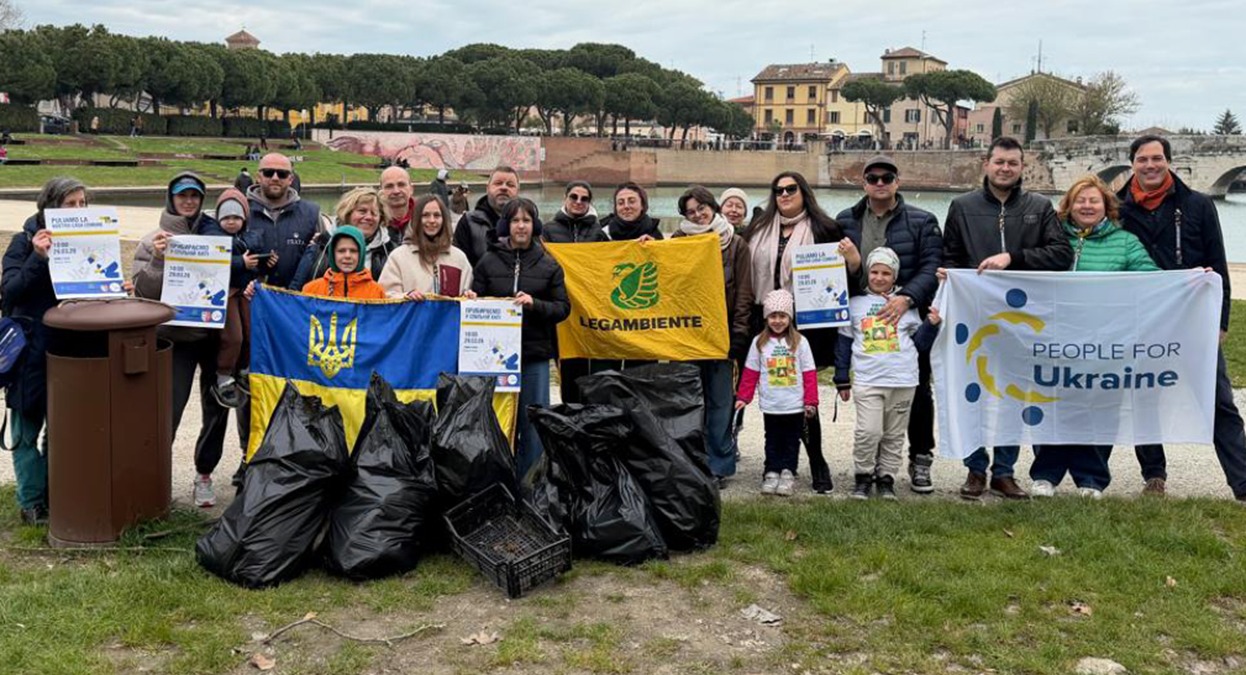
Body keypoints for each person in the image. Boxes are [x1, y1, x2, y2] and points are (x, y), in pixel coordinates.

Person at [942, 136, 1073, 500]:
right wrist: (950, 279)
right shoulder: (962, 206)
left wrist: (1012, 258)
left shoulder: (1039, 206)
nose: (1005, 169)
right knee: (973, 394)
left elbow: (1061, 255)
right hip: (975, 317)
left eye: (1012, 163)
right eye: (999, 162)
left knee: (1013, 396)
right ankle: (974, 468)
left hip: (1022, 319)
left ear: (1021, 167)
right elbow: (950, 256)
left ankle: (1004, 471)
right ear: (986, 163)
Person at [1116, 135, 1246, 502]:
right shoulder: (1117, 209)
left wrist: (1221, 321)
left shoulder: (1199, 206)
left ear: (1169, 161)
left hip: (1192, 320)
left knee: (1218, 398)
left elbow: (1218, 265)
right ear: (1132, 164)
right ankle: (1153, 474)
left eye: (1157, 158)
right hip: (1139, 319)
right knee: (1145, 397)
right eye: (1143, 159)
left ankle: (1242, 480)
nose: (1150, 166)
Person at [1024, 174, 1159, 499]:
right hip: (1056, 340)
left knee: (1099, 409)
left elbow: (1152, 279)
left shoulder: (1125, 242)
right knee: (1054, 405)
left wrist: (1192, 281)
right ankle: (1046, 475)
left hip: (1105, 342)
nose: (1086, 206)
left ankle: (1092, 478)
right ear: (1068, 206)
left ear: (1106, 207)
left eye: (1093, 200)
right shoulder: (1051, 240)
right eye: (1080, 200)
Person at [741, 171, 856, 494]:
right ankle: (774, 463)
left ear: (804, 192)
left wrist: (852, 261)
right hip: (764, 317)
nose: (784, 194)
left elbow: (842, 280)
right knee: (774, 390)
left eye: (791, 189)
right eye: (778, 190)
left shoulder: (825, 228)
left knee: (804, 393)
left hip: (808, 321)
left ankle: (816, 459)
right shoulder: (759, 227)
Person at [835, 155, 944, 494]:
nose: (880, 183)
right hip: (865, 314)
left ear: (897, 182)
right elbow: (836, 272)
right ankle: (868, 472)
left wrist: (907, 297)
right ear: (864, 183)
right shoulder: (845, 219)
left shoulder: (923, 220)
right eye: (873, 178)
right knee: (875, 408)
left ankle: (920, 458)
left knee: (918, 392)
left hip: (909, 314)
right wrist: (854, 268)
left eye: (887, 177)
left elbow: (931, 265)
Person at [133, 172, 242, 508]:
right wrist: (158, 259)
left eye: (195, 196)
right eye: (183, 196)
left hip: (212, 335)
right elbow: (142, 290)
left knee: (215, 410)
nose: (189, 201)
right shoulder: (154, 239)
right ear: (171, 198)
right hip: (174, 338)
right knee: (169, 408)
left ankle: (204, 473)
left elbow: (234, 273)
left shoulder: (217, 234)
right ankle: (152, 477)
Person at [2, 178, 89, 524]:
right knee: (25, 430)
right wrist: (38, 258)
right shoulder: (23, 242)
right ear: (50, 207)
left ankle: (59, 494)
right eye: (71, 204)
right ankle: (31, 502)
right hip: (29, 353)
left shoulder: (88, 242)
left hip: (68, 350)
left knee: (62, 430)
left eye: (83, 203)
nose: (78, 210)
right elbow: (10, 291)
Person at [471, 198, 570, 479]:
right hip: (493, 359)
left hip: (534, 357)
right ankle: (497, 482)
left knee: (533, 423)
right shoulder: (488, 262)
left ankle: (530, 487)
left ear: (534, 225)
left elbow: (563, 309)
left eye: (526, 220)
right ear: (507, 225)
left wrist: (534, 304)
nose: (521, 226)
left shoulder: (549, 265)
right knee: (497, 421)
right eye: (515, 220)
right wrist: (471, 298)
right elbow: (476, 299)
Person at [834, 247, 939, 500]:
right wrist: (841, 377)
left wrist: (932, 325)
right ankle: (863, 477)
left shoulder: (907, 305)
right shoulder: (855, 304)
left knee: (893, 435)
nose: (879, 277)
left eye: (886, 273)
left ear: (895, 276)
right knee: (868, 432)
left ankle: (886, 478)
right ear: (867, 273)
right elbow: (843, 343)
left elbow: (919, 345)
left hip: (903, 379)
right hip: (869, 379)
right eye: (875, 272)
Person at [672, 186, 753, 486]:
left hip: (721, 334)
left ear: (713, 207)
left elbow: (744, 293)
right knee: (689, 400)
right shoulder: (678, 241)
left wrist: (739, 334)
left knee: (721, 401)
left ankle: (719, 463)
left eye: (701, 208)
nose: (697, 214)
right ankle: (690, 461)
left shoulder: (736, 244)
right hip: (687, 334)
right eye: (690, 211)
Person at [734, 289, 818, 497]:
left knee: (791, 440)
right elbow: (751, 371)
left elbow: (809, 373)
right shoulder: (759, 343)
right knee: (772, 438)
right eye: (773, 316)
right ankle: (771, 471)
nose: (778, 321)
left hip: (794, 404)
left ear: (790, 317)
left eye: (782, 316)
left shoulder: (801, 343)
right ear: (766, 318)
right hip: (772, 404)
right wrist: (743, 397)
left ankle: (788, 472)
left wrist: (811, 401)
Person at [198, 189, 266, 410]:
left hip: (244, 291)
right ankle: (224, 375)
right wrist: (241, 261)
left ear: (244, 219)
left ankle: (244, 368)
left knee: (250, 331)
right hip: (223, 293)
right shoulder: (213, 235)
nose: (231, 222)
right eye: (226, 218)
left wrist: (265, 263)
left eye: (236, 217)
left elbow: (256, 264)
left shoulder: (250, 237)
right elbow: (214, 260)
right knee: (233, 336)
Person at [545, 181, 609, 404]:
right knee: (567, 365)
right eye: (574, 197)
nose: (578, 202)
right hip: (562, 309)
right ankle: (571, 414)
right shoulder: (548, 229)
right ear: (565, 198)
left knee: (591, 369)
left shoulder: (598, 231)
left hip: (589, 310)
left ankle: (592, 414)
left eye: (584, 199)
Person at [245, 153, 320, 290]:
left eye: (282, 174)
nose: (275, 178)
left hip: (297, 301)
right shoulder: (241, 210)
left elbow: (321, 260)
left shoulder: (312, 213)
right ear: (258, 177)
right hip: (250, 301)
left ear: (290, 179)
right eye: (268, 173)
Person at [379, 194, 476, 299]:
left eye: (437, 215)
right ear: (416, 219)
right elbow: (385, 297)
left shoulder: (459, 258)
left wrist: (468, 297)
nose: (432, 220)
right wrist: (406, 297)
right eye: (425, 215)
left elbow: (466, 294)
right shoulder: (398, 257)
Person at [293, 187, 396, 286]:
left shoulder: (390, 251)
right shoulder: (321, 245)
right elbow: (298, 287)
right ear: (347, 214)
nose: (368, 217)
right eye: (362, 211)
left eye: (374, 213)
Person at [455, 166, 518, 268]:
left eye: (510, 185)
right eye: (498, 183)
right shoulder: (468, 222)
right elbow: (459, 267)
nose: (504, 187)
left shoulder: (528, 224)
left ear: (517, 191)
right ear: (487, 188)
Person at [301, 226, 387, 299]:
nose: (347, 256)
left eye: (353, 251)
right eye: (341, 251)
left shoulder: (377, 292)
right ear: (332, 253)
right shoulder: (311, 290)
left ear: (361, 254)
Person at [379, 166, 416, 241]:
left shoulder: (425, 217)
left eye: (401, 185)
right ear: (381, 191)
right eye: (389, 186)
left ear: (411, 189)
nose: (396, 191)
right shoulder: (373, 222)